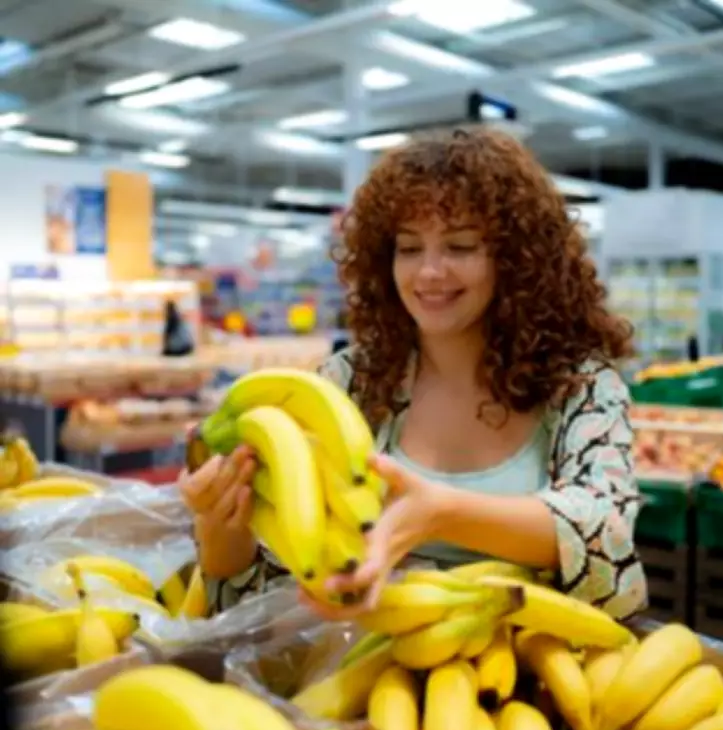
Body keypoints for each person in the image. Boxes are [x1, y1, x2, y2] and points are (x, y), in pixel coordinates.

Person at [179, 128, 647, 621]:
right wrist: (220, 521)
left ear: (515, 258)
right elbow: (252, 584)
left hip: (526, 674)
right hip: (360, 674)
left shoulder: (580, 387)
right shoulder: (345, 385)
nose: (429, 272)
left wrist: (441, 513)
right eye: (408, 248)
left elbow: (605, 532)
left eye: (461, 246)